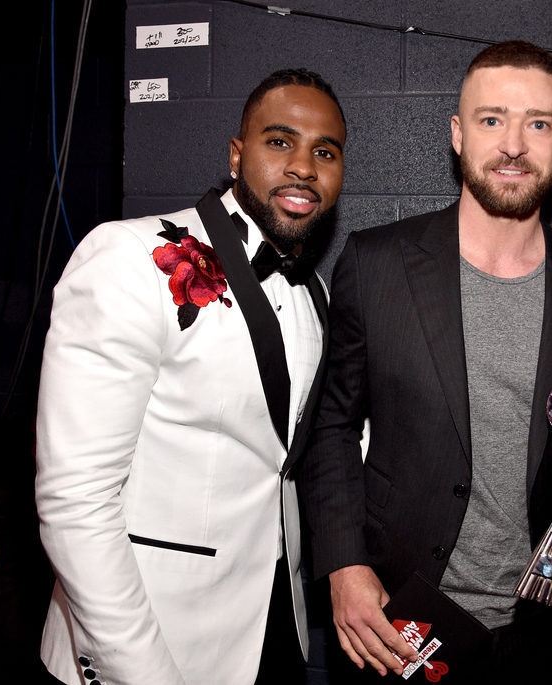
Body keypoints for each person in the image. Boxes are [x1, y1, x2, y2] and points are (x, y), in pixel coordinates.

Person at [299, 40, 552, 682]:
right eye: (491, 120)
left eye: (538, 123)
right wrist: (343, 564)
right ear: (458, 134)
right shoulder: (374, 265)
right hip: (400, 621)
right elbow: (332, 429)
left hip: (548, 632)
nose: (513, 144)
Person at [34, 68, 346, 684]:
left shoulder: (316, 293)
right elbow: (74, 501)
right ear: (237, 154)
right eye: (279, 141)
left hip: (270, 631)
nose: (304, 167)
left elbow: (287, 449)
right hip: (150, 645)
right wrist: (143, 673)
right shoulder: (129, 258)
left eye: (325, 152)